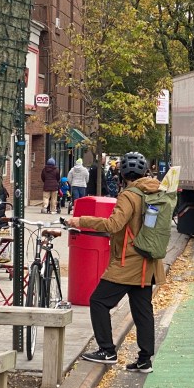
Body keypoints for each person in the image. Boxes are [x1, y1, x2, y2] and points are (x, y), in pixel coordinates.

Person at [68, 151, 164, 373]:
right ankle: (145, 360)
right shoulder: (154, 191)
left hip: (128, 262)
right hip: (148, 261)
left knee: (98, 301)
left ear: (123, 173)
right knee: (142, 311)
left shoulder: (129, 195)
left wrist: (81, 220)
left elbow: (114, 224)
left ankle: (107, 350)